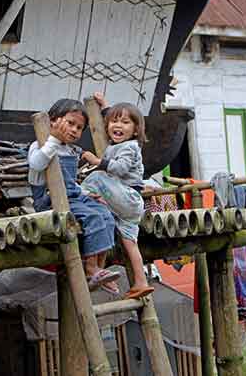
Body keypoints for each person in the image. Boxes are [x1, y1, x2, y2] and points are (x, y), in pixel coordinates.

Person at [28, 98, 120, 293]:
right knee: (93, 217)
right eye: (70, 123)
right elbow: (36, 164)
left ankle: (99, 270)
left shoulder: (70, 150)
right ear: (52, 120)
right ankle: (91, 268)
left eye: (79, 128)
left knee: (106, 215)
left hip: (73, 198)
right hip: (50, 201)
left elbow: (71, 182)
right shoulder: (40, 145)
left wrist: (87, 193)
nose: (74, 130)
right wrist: (52, 139)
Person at [81, 93, 154, 300]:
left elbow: (120, 169)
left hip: (128, 196)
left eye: (124, 122)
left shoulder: (130, 147)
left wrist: (97, 161)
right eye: (113, 121)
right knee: (129, 242)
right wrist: (105, 107)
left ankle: (82, 199)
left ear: (136, 130)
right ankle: (140, 282)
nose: (117, 126)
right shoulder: (116, 145)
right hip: (128, 204)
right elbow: (111, 120)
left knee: (96, 178)